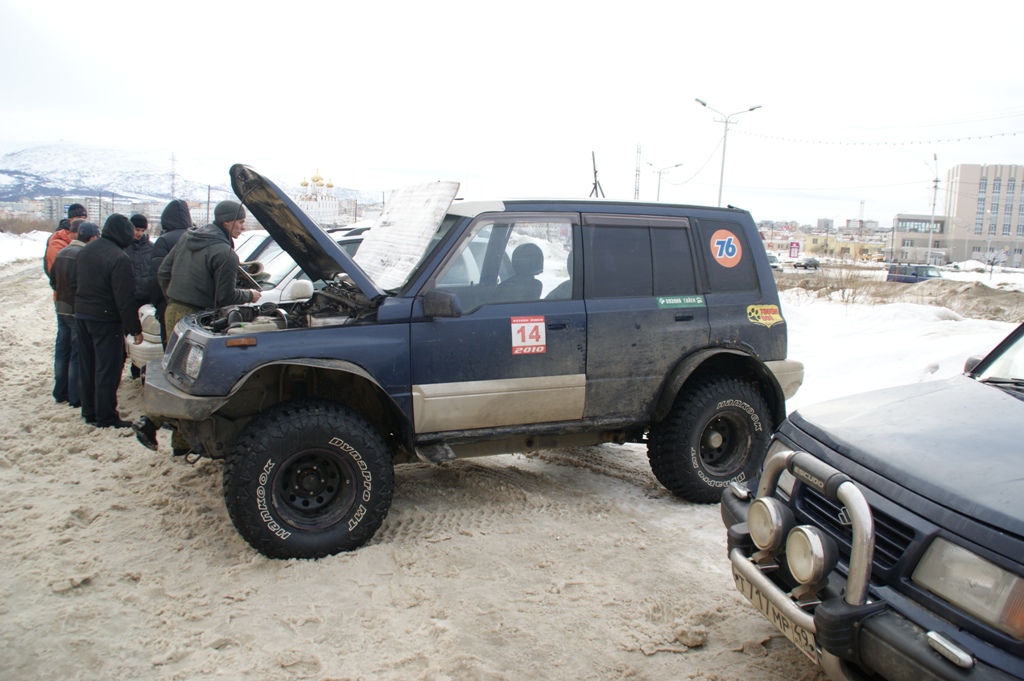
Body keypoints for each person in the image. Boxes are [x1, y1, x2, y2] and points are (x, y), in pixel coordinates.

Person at [137, 200, 260, 455]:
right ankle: (157, 426)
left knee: (178, 375)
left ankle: (179, 443)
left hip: (174, 311)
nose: (243, 226)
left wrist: (174, 298)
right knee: (191, 383)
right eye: (240, 222)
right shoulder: (224, 253)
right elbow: (226, 296)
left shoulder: (188, 238)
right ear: (227, 222)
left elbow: (163, 272)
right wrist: (250, 295)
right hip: (196, 321)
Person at [74, 214, 143, 428]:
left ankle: (89, 411)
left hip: (82, 315)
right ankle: (106, 416)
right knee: (108, 368)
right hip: (106, 319)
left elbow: (76, 282)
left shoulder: (86, 250)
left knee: (88, 365)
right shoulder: (119, 258)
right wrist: (134, 329)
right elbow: (125, 298)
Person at [49, 221, 101, 407]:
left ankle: (59, 391)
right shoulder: (83, 255)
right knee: (77, 353)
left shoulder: (62, 252)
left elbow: (53, 280)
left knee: (62, 350)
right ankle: (75, 395)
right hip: (76, 309)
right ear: (92, 238)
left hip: (60, 307)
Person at [148, 199, 193, 345]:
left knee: (171, 348)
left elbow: (157, 275)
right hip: (194, 305)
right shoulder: (196, 236)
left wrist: (158, 303)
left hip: (170, 303)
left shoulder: (164, 240)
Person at [44, 203, 87, 276]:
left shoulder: (83, 237)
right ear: (70, 219)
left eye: (84, 218)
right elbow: (59, 268)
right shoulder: (58, 239)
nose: (82, 221)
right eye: (79, 217)